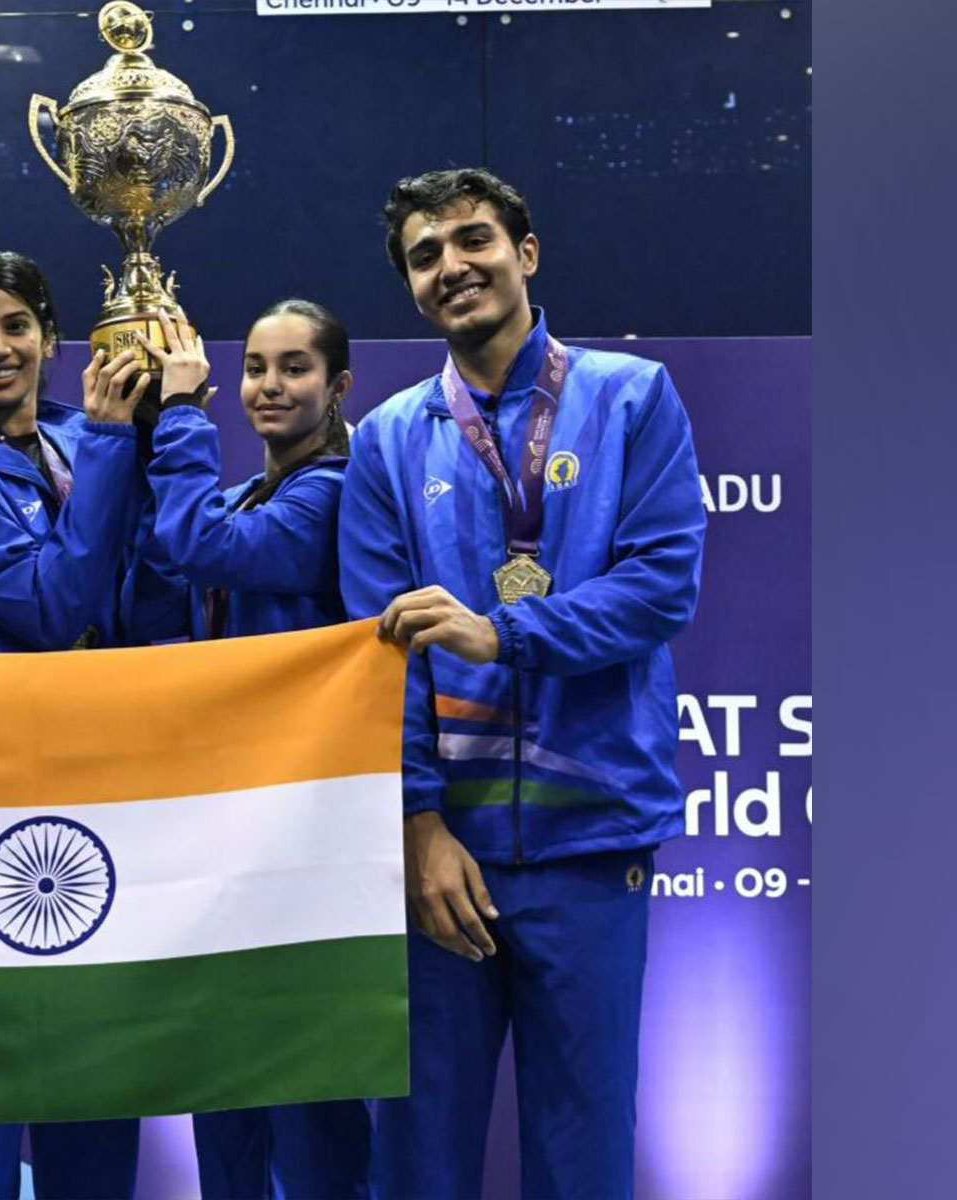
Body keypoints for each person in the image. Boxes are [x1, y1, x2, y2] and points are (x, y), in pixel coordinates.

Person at [338, 168, 706, 1199]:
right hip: (443, 856)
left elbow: (661, 587)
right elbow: (378, 657)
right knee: (420, 1158)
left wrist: (504, 634)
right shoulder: (385, 440)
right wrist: (415, 827)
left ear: (525, 252)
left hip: (590, 837)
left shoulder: (631, 396)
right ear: (409, 286)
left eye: (473, 240)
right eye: (424, 255)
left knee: (582, 1150)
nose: (452, 266)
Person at [0, 249, 177, 1199]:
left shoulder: (91, 437)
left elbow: (156, 601)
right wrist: (109, 447)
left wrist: (169, 419)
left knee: (102, 1061)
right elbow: (56, 610)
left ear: (55, 340)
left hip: (109, 778)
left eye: (17, 325)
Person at [138, 301, 372, 1198]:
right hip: (225, 831)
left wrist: (185, 416)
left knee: (311, 1101)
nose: (269, 387)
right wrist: (136, 436)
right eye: (256, 369)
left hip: (310, 831)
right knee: (224, 1086)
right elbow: (163, 574)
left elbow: (204, 546)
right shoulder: (237, 495)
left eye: (295, 369)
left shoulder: (337, 493)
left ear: (338, 385)